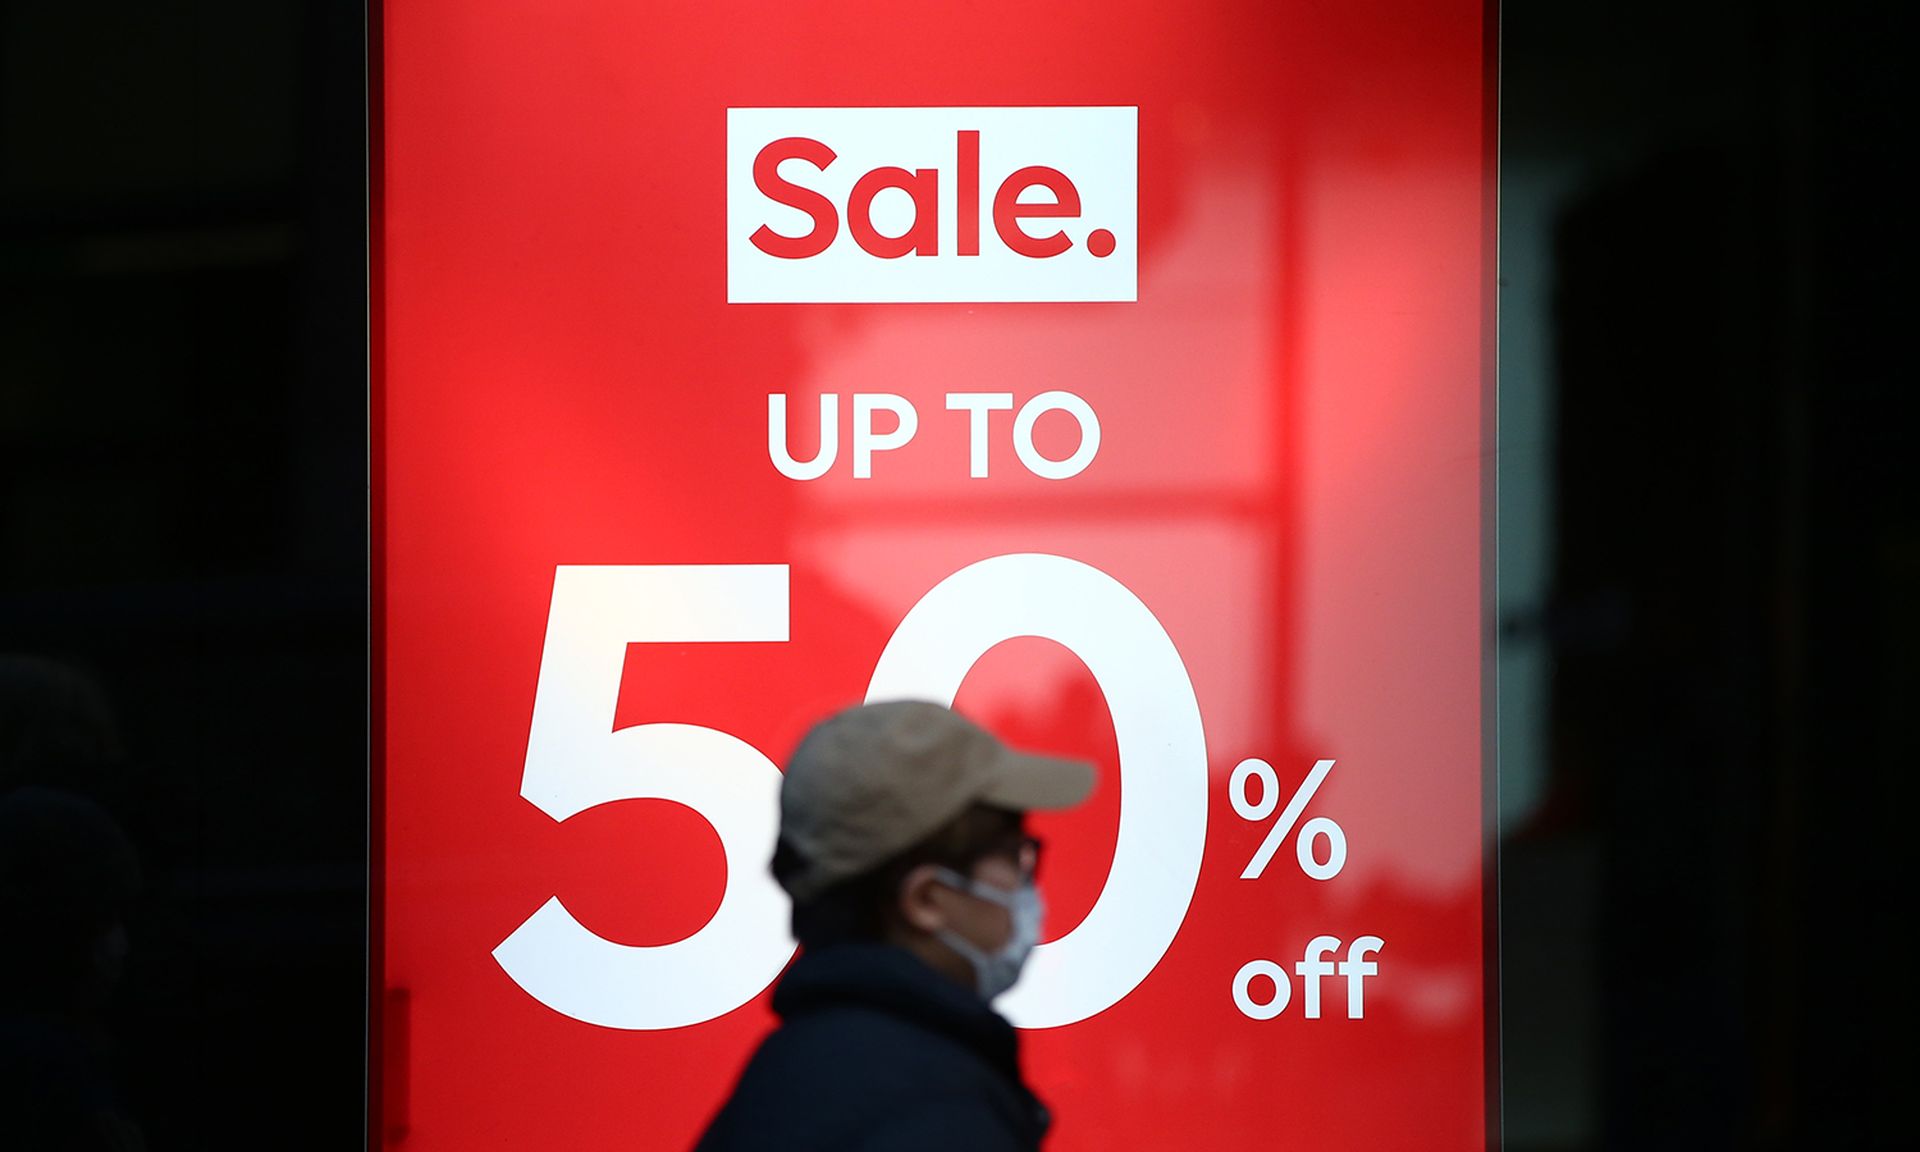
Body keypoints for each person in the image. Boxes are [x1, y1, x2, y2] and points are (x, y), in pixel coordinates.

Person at [693, 699, 1093, 1152]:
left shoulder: (785, 1074)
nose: (1026, 886)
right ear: (926, 900)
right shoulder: (940, 1114)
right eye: (1013, 855)